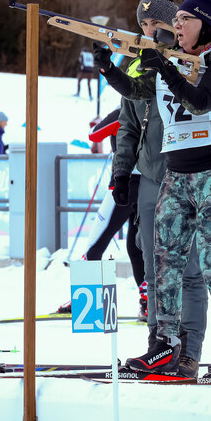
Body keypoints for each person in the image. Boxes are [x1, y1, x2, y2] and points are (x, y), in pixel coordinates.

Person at [95, 0, 211, 378]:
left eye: (184, 19)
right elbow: (137, 94)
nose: (176, 26)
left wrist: (165, 69)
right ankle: (165, 345)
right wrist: (109, 70)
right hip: (177, 174)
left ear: (205, 25)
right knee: (163, 264)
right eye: (175, 19)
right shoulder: (171, 59)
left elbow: (201, 100)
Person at [111, 0, 209, 378]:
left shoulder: (197, 62)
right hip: (150, 177)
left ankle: (189, 352)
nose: (149, 31)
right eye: (143, 25)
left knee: (190, 271)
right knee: (154, 270)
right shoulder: (135, 65)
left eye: (157, 24)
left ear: (176, 26)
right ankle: (159, 346)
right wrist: (122, 172)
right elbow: (128, 125)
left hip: (189, 176)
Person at [56, 107, 147, 319]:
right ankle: (147, 302)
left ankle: (84, 303)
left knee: (95, 244)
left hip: (122, 186)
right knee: (136, 248)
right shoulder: (151, 109)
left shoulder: (124, 111)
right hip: (148, 186)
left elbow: (94, 135)